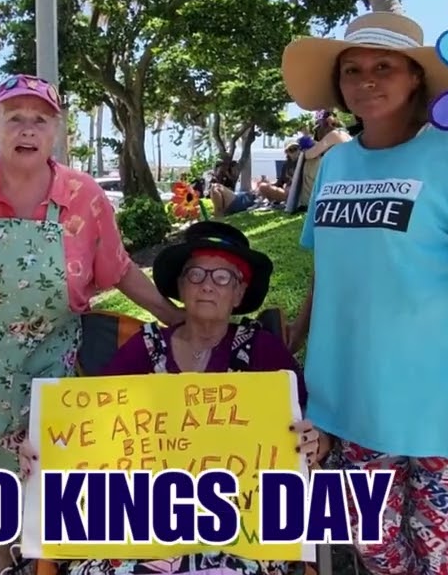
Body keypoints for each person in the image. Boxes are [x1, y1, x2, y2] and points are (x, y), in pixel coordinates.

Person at [281, 11, 448, 575]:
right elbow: (329, 268)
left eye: (384, 67)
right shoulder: (336, 163)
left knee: (441, 552)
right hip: (352, 393)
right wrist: (295, 341)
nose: (366, 80)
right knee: (371, 545)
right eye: (352, 70)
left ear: (415, 78)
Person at [0, 74, 184, 574]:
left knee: (50, 512)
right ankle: (0, 564)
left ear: (55, 131)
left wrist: (177, 320)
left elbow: (118, 268)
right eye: (15, 119)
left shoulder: (83, 195)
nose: (27, 130)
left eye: (40, 120)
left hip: (50, 382)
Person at [18, 221, 327, 575]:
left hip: (238, 528)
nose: (208, 285)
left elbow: (306, 428)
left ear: (240, 293)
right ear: (181, 286)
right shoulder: (144, 348)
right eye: (195, 274)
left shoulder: (262, 350)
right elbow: (83, 427)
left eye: (224, 277)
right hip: (140, 522)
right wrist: (41, 449)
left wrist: (313, 441)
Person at [294, 110, 353, 211]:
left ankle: (307, 202)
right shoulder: (344, 134)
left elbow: (309, 155)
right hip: (345, 177)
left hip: (341, 178)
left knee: (311, 162)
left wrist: (307, 138)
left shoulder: (335, 135)